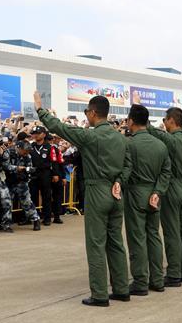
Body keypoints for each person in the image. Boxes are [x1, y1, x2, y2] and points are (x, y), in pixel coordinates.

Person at [35, 91, 130, 307]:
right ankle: (122, 288)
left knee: (96, 243)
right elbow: (128, 165)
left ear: (93, 112)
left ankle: (99, 294)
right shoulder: (120, 138)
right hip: (116, 191)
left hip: (97, 190)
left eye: (87, 112)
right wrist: (119, 181)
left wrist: (41, 110)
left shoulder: (91, 136)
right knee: (115, 242)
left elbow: (60, 127)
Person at [117, 104, 171, 295]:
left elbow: (125, 169)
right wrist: (158, 191)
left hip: (135, 192)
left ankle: (140, 281)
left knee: (137, 238)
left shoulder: (129, 144)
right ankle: (157, 279)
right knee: (154, 236)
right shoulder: (160, 145)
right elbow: (166, 172)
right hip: (155, 194)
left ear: (131, 121)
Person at [147, 107, 182, 286]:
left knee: (172, 234)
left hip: (171, 188)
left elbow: (151, 131)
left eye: (165, 120)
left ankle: (174, 274)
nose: (163, 123)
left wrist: (144, 122)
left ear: (171, 120)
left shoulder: (172, 140)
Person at [29, 126, 54, 225]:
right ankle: (33, 218)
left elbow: (54, 161)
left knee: (46, 197)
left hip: (45, 174)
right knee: (32, 197)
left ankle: (47, 218)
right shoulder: (31, 146)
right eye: (34, 133)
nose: (35, 135)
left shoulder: (49, 147)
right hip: (34, 174)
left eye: (38, 133)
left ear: (43, 134)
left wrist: (55, 174)